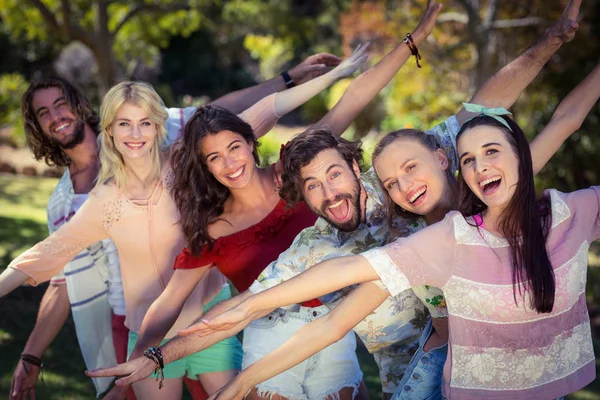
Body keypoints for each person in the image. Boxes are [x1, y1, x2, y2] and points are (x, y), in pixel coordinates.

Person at [86, 1, 584, 397]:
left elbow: (483, 106)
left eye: (333, 175)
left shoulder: (402, 175)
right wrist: (155, 358)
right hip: (420, 376)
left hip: (495, 355)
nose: (328, 193)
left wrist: (553, 40)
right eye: (312, 187)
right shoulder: (314, 245)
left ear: (354, 165)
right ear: (300, 194)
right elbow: (239, 311)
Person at [198, 62, 600, 400]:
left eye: (411, 169)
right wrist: (197, 350)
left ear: (442, 160)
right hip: (437, 365)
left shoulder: (496, 205)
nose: (405, 186)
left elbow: (557, 120)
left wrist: (552, 42)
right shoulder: (417, 239)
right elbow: (327, 308)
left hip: (507, 366)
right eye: (392, 183)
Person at [0, 58, 362, 400]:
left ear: (158, 124)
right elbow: (49, 251)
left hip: (207, 321)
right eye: (124, 124)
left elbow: (264, 111)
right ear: (109, 131)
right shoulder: (102, 202)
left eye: (144, 122)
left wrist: (331, 76)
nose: (136, 134)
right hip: (148, 334)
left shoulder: (183, 162)